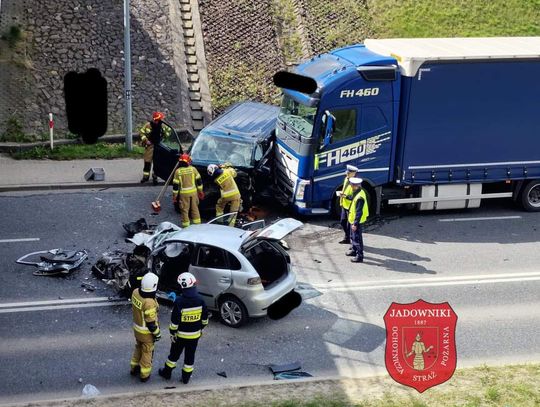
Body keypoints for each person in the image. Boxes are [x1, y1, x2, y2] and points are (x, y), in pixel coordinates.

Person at [158, 272, 209, 384]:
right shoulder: (201, 300)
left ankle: (167, 373)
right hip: (195, 335)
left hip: (180, 336)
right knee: (190, 357)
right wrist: (200, 328)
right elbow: (205, 319)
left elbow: (174, 321)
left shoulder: (179, 301)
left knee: (174, 355)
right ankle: (185, 378)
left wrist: (172, 333)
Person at [130, 272, 161, 382]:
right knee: (147, 352)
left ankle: (134, 367)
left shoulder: (135, 292)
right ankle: (144, 374)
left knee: (138, 347)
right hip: (146, 333)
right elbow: (151, 323)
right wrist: (157, 334)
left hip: (137, 330)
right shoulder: (149, 303)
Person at [139, 111, 172, 185]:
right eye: (157, 120)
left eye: (159, 120)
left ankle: (155, 177)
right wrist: (146, 140)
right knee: (147, 162)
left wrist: (164, 137)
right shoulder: (148, 125)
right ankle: (145, 177)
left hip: (158, 146)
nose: (158, 121)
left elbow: (169, 131)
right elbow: (141, 132)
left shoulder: (163, 126)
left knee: (156, 162)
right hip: (150, 146)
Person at [172, 153, 204, 228]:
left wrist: (175, 196)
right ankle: (198, 225)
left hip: (184, 195)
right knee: (195, 209)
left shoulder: (178, 171)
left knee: (184, 210)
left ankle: (186, 227)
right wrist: (200, 191)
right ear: (188, 161)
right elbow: (199, 181)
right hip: (194, 193)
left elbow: (176, 186)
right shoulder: (193, 169)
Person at [346, 177, 369, 263]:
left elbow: (359, 212)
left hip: (357, 221)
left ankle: (360, 256)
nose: (351, 186)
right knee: (353, 237)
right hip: (353, 220)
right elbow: (352, 197)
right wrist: (346, 196)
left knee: (357, 239)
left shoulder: (360, 197)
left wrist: (355, 224)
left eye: (352, 185)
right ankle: (354, 251)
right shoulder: (358, 192)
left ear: (356, 186)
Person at [336, 164, 359, 244]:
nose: (347, 174)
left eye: (349, 173)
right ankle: (347, 237)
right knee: (342, 221)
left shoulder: (356, 183)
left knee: (350, 225)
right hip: (345, 205)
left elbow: (355, 196)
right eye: (347, 172)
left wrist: (345, 196)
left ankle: (352, 242)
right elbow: (344, 189)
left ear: (354, 173)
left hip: (350, 207)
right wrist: (341, 200)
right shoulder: (346, 179)